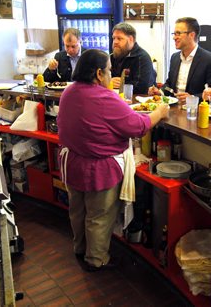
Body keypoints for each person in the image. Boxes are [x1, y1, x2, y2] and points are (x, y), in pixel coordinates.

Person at [57, 49, 169, 271]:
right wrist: (160, 112)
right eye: (109, 70)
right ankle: (96, 260)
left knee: (78, 211)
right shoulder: (103, 97)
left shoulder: (69, 92)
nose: (110, 74)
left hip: (72, 164)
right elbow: (138, 126)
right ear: (99, 73)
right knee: (99, 216)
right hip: (98, 168)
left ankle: (80, 248)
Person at [148, 17, 211, 103]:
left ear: (192, 35)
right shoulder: (174, 58)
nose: (174, 38)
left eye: (178, 33)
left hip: (196, 110)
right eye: (174, 34)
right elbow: (169, 84)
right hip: (173, 108)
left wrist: (192, 98)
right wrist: (160, 92)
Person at [110, 22, 156, 93]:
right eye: (114, 38)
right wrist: (109, 81)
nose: (115, 42)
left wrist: (121, 84)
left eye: (119, 38)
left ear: (131, 39)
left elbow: (142, 87)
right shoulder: (112, 57)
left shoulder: (142, 58)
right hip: (116, 99)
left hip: (137, 101)